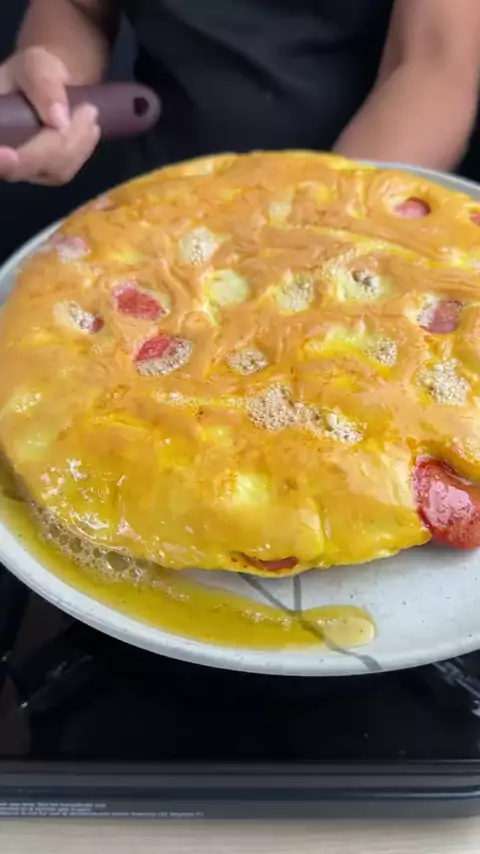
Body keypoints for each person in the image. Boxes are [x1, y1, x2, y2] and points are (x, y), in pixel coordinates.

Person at [0, 0, 479, 187]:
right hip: (170, 198)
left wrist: (326, 223)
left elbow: (433, 61)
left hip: (363, 194)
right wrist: (52, 81)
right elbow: (77, 8)